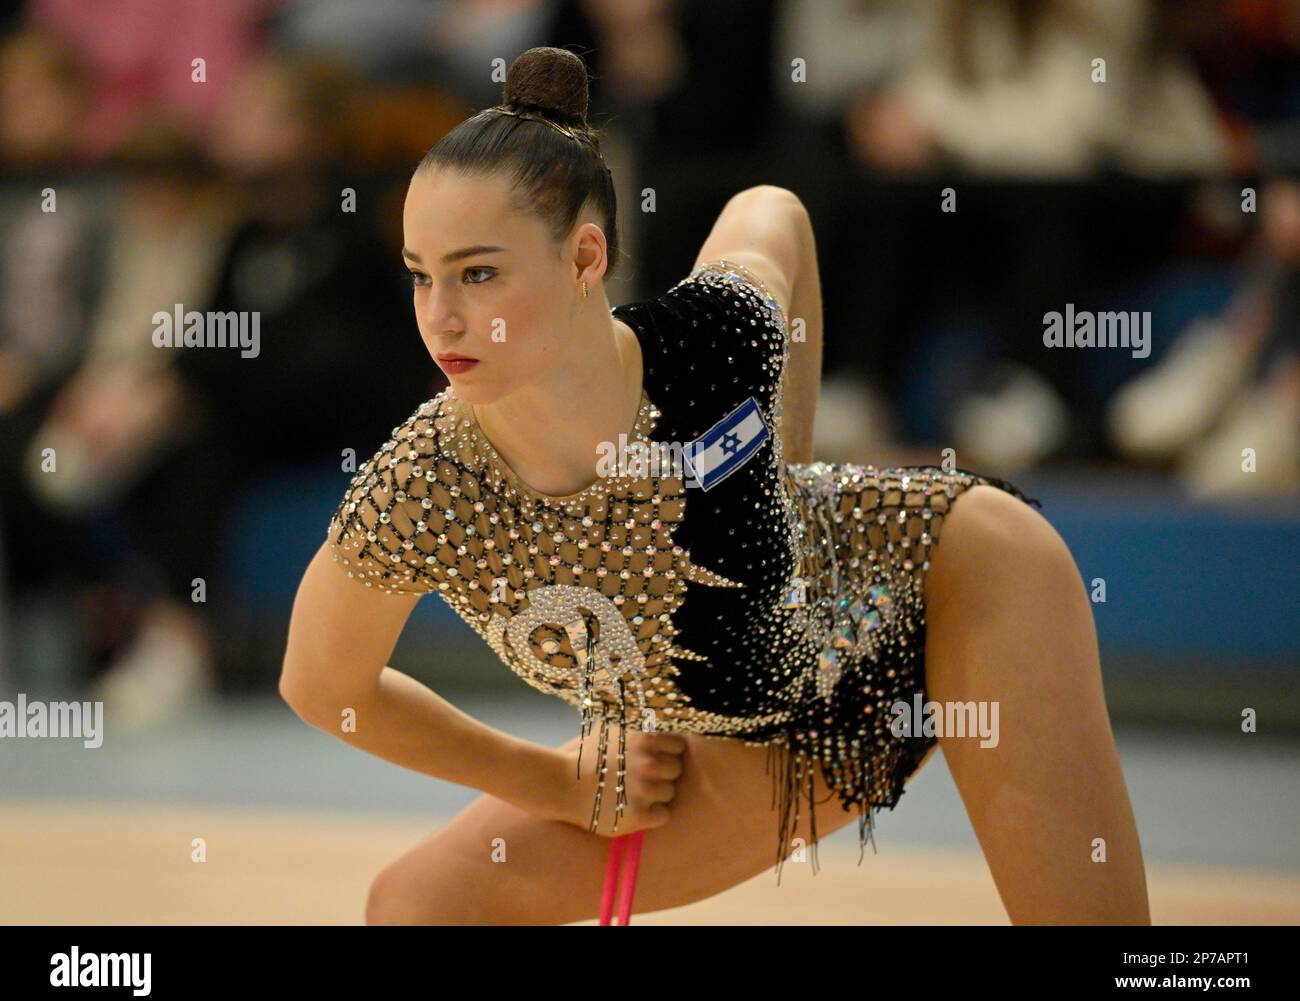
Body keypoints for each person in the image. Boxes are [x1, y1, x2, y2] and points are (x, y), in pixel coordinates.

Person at [279, 47, 1150, 925]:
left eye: (477, 273)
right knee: (417, 908)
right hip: (742, 733)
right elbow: (323, 686)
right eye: (421, 274)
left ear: (586, 259)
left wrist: (784, 477)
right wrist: (553, 782)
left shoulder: (716, 335)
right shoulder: (425, 485)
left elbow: (772, 211)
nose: (441, 317)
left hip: (954, 582)